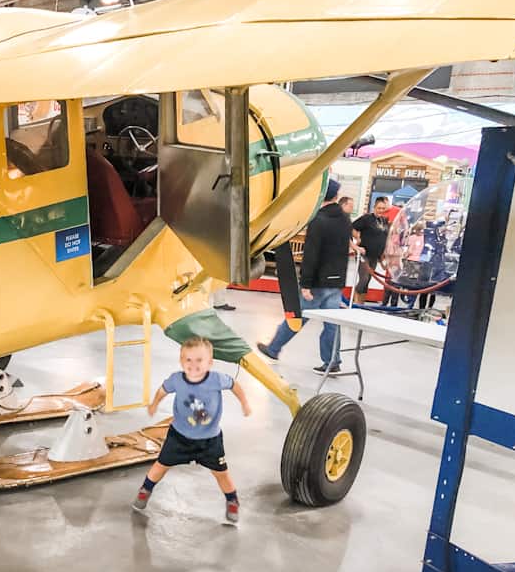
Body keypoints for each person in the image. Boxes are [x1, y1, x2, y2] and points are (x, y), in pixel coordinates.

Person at [132, 336, 252, 523]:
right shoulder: (177, 380)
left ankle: (232, 500)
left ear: (210, 362)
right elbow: (163, 390)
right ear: (181, 361)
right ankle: (145, 489)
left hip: (209, 440)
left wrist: (244, 403)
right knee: (161, 465)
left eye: (199, 360)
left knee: (221, 473)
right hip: (179, 437)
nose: (193, 365)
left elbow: (234, 385)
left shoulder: (216, 379)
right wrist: (155, 403)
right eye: (188, 360)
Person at [257, 179, 352, 374]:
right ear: (335, 197)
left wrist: (305, 283)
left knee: (297, 316)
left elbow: (311, 254)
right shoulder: (344, 220)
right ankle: (332, 361)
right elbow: (343, 253)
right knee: (332, 324)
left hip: (317, 281)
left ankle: (273, 349)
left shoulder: (318, 220)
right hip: (336, 281)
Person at [351, 196, 391, 304]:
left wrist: (383, 258)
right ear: (374, 207)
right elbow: (352, 227)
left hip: (375, 255)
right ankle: (354, 302)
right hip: (364, 254)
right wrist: (358, 238)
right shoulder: (367, 218)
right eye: (379, 208)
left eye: (383, 208)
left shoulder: (385, 221)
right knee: (364, 278)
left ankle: (361, 303)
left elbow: (384, 239)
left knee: (368, 279)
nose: (381, 211)